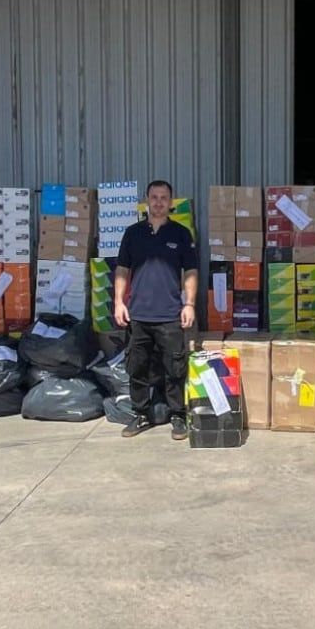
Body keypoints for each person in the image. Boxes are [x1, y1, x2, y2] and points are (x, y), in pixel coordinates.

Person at [113, 179, 198, 439]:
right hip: (138, 314)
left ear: (170, 203)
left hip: (170, 314)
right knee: (137, 368)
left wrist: (189, 304)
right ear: (147, 200)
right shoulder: (133, 233)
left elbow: (191, 271)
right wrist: (118, 302)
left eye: (164, 197)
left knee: (175, 368)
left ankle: (178, 416)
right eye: (154, 197)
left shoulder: (181, 234)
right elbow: (122, 270)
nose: (159, 202)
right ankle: (140, 414)